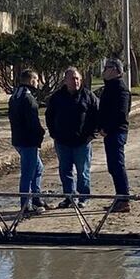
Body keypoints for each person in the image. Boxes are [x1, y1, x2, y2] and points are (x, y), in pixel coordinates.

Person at [45, 67, 98, 209]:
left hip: (82, 143)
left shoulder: (88, 96)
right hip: (62, 142)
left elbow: (97, 116)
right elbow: (49, 116)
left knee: (83, 171)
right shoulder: (57, 97)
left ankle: (84, 197)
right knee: (65, 171)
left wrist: (93, 134)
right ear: (65, 80)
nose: (75, 81)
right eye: (72, 78)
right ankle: (69, 197)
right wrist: (53, 133)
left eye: (77, 78)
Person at [8, 69, 47, 215]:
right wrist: (40, 134)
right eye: (37, 80)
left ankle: (36, 197)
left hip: (18, 139)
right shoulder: (28, 98)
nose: (38, 83)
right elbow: (33, 122)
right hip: (28, 140)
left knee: (38, 168)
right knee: (28, 172)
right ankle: (26, 204)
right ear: (31, 80)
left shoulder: (15, 96)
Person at [98, 58, 132, 213]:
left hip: (116, 132)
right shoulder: (109, 87)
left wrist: (107, 128)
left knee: (117, 165)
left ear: (116, 70)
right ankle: (119, 197)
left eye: (107, 67)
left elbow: (121, 114)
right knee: (113, 166)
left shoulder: (121, 89)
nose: (104, 70)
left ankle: (124, 199)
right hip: (109, 132)